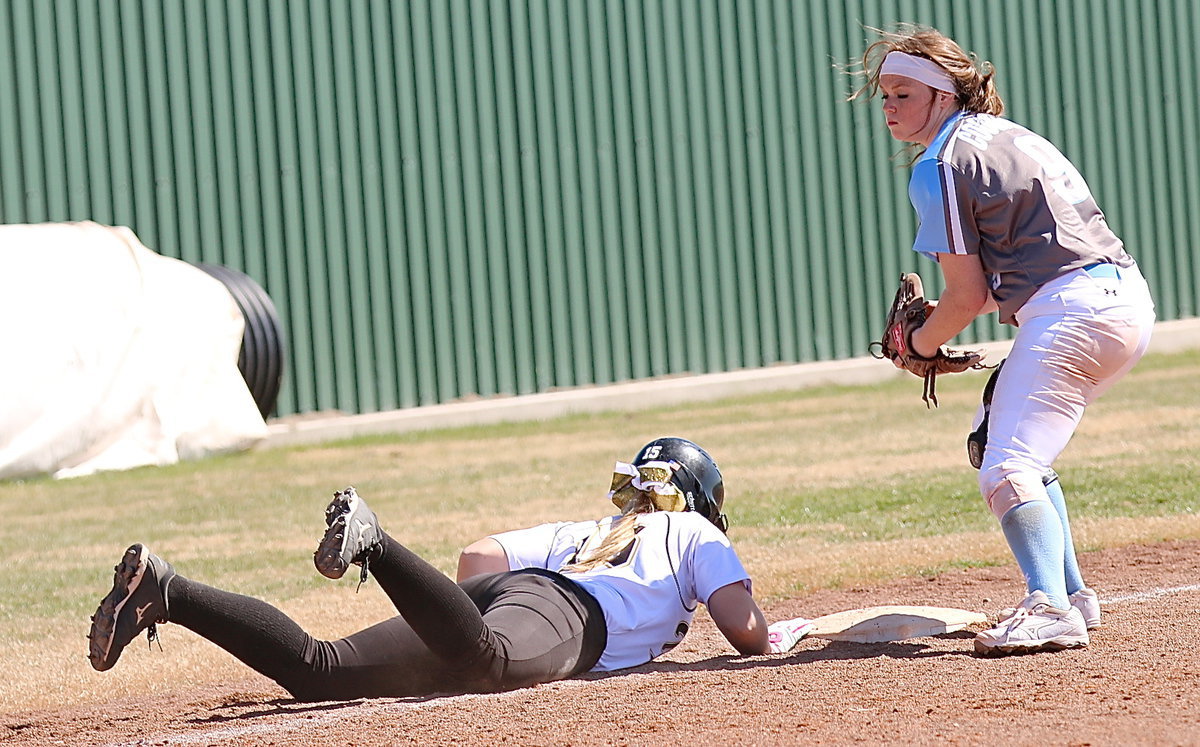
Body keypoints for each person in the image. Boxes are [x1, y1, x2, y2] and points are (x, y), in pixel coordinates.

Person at [852, 25, 1156, 657]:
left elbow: (963, 300)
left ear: (941, 95)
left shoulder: (940, 162)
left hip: (1072, 312)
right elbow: (1013, 269)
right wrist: (936, 326)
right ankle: (1070, 595)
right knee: (1009, 442)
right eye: (884, 95)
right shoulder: (1007, 135)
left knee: (1006, 466)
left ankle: (1047, 607)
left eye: (903, 93)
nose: (889, 106)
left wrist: (923, 343)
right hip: (1119, 300)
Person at [88, 437, 804, 700]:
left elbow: (478, 560)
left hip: (516, 592)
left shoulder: (598, 526)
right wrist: (771, 633)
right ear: (703, 500)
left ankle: (166, 590)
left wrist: (459, 622)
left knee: (319, 667)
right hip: (569, 615)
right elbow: (740, 628)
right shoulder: (690, 530)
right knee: (490, 663)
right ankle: (375, 541)